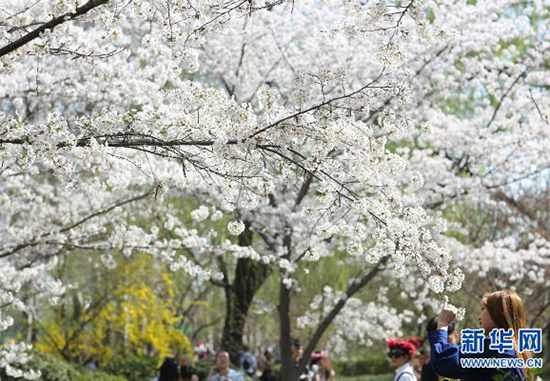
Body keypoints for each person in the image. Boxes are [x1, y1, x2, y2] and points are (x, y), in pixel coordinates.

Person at [428, 290, 531, 381]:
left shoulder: (493, 347)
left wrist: (442, 324)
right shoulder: (513, 349)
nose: (479, 315)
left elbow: (443, 361)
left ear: (499, 313)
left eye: (483, 308)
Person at [422, 317, 459, 381]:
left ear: (455, 336)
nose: (442, 349)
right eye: (436, 344)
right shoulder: (429, 367)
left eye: (447, 340)